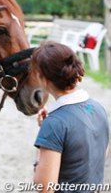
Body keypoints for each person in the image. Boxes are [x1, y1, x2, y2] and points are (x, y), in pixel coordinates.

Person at [30, 41, 109, 193]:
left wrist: (42, 144)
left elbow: (45, 187)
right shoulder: (98, 108)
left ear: (44, 79)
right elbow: (100, 154)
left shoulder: (55, 123)